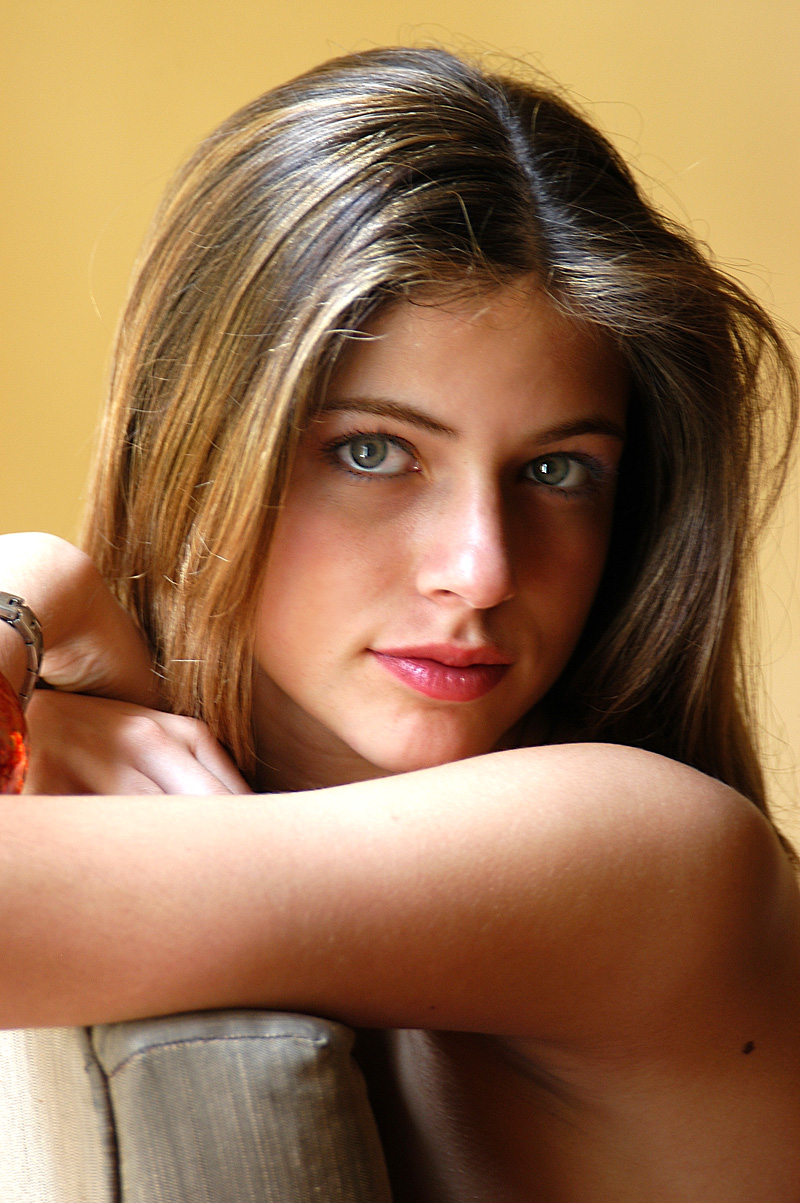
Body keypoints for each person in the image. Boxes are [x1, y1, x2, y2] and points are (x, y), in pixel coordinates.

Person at [2, 45, 800, 1200]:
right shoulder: (132, 766)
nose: (480, 571)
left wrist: (21, 593)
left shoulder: (647, 855)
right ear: (192, 447)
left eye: (557, 471)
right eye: (373, 452)